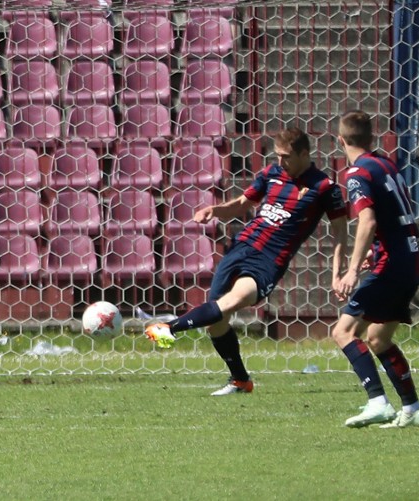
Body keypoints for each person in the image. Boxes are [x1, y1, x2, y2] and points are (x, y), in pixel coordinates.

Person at [145, 127, 348, 395]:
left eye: (286, 156)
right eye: (277, 156)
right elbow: (242, 204)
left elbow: (341, 235)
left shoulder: (324, 188)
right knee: (217, 321)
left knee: (231, 302)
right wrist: (214, 210)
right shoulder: (271, 174)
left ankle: (169, 328)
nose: (280, 162)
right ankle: (240, 380)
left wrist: (338, 274)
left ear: (303, 153)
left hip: (268, 261)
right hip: (240, 248)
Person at [331, 110, 419, 428]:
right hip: (411, 260)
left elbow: (368, 221)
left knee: (343, 332)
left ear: (341, 140)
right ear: (371, 138)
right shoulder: (386, 164)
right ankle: (413, 409)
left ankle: (378, 402)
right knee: (377, 338)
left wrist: (352, 268)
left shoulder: (357, 173)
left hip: (392, 263)